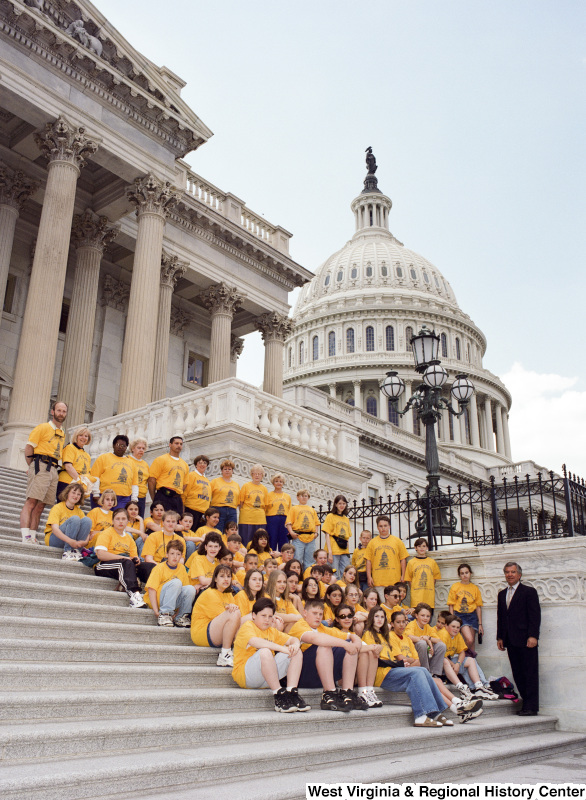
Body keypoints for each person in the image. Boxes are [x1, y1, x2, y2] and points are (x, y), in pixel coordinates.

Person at [288, 598, 369, 711]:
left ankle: (347, 693)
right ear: (305, 613)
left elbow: (349, 636)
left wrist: (354, 640)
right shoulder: (300, 625)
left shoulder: (322, 627)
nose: (318, 617)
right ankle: (329, 694)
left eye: (321, 614)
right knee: (325, 645)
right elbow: (315, 638)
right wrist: (346, 644)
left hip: (319, 674)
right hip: (302, 675)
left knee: (350, 647)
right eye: (315, 613)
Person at [232, 597, 309, 712]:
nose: (267, 620)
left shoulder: (272, 631)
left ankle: (292, 693)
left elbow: (293, 639)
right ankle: (278, 695)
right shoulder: (248, 626)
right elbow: (255, 642)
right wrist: (282, 648)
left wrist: (295, 645)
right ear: (254, 615)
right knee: (265, 651)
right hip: (246, 677)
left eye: (270, 616)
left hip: (267, 677)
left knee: (295, 652)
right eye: (263, 616)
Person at [20, 400, 68, 544]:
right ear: (52, 412)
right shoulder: (42, 427)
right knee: (31, 501)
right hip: (40, 465)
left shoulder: (62, 433)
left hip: (53, 469)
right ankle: (25, 536)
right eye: (58, 410)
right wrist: (32, 466)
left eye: (64, 411)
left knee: (41, 505)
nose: (61, 413)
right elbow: (29, 447)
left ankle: (33, 536)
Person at [497, 561, 541, 716]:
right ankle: (525, 705)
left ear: (519, 575)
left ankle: (532, 707)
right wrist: (500, 637)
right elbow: (501, 617)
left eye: (513, 572)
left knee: (529, 672)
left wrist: (533, 636)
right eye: (507, 572)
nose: (510, 574)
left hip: (526, 640)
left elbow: (535, 616)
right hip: (510, 640)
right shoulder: (502, 594)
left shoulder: (529, 592)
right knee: (517, 673)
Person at [94, 507, 154, 607]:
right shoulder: (107, 533)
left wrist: (137, 560)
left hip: (125, 565)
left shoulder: (129, 539)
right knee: (126, 563)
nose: (120, 522)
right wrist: (125, 559)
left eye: (123, 519)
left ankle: (154, 594)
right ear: (113, 521)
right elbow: (101, 554)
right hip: (103, 565)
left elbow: (133, 557)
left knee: (150, 566)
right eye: (118, 519)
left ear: (127, 521)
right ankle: (134, 595)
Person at [437, 614, 498, 701]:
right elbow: (441, 655)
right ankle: (473, 688)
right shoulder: (443, 634)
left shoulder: (456, 635)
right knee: (449, 661)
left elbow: (462, 652)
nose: (456, 629)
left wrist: (458, 664)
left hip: (450, 662)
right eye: (453, 626)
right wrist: (454, 664)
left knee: (470, 660)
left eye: (458, 627)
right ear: (446, 626)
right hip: (440, 665)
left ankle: (478, 687)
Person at [190, 564, 241, 666]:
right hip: (202, 632)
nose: (226, 579)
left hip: (216, 629)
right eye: (222, 576)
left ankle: (236, 653)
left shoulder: (228, 594)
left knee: (248, 619)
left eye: (228, 576)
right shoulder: (210, 593)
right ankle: (225, 654)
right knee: (234, 612)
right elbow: (225, 617)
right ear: (215, 579)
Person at [144, 539, 196, 627]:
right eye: (172, 554)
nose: (175, 557)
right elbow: (151, 589)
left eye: (178, 554)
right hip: (159, 600)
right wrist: (156, 611)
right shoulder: (159, 568)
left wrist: (177, 612)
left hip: (173, 601)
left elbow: (185, 593)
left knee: (190, 588)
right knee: (176, 582)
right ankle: (164, 615)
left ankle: (181, 617)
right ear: (167, 554)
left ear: (181, 556)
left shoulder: (182, 568)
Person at [44, 482, 91, 559]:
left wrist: (84, 542)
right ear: (67, 493)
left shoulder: (79, 511)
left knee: (87, 520)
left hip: (71, 542)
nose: (76, 496)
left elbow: (87, 532)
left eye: (79, 494)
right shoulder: (57, 507)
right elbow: (55, 530)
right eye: (73, 492)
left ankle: (76, 551)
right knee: (75, 519)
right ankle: (68, 551)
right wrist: (70, 541)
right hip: (54, 539)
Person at [364, 515, 407, 601]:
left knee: (395, 606)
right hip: (378, 581)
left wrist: (403, 575)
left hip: (394, 581)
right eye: (380, 526)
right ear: (377, 527)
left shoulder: (397, 541)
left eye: (385, 526)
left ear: (389, 526)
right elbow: (368, 561)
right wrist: (369, 577)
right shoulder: (372, 543)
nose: (383, 528)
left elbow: (403, 559)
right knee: (382, 607)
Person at [90, 435, 138, 511]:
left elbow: (134, 483)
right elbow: (95, 477)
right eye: (118, 445)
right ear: (113, 445)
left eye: (123, 446)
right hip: (104, 495)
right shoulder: (103, 458)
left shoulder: (131, 463)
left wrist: (134, 499)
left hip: (123, 498)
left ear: (126, 448)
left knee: (119, 520)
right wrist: (95, 493)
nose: (121, 447)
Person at [147, 436, 189, 516]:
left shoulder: (185, 464)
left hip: (177, 499)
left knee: (176, 524)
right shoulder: (161, 459)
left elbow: (185, 483)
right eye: (176, 443)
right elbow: (151, 480)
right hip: (163, 495)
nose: (179, 445)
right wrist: (154, 498)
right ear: (170, 444)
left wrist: (176, 492)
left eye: (181, 444)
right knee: (161, 521)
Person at [447, 563, 484, 652]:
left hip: (472, 616)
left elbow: (478, 607)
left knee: (472, 643)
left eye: (466, 572)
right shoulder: (455, 586)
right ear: (459, 575)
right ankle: (460, 655)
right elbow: (451, 604)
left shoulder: (474, 588)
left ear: (470, 573)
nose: (465, 575)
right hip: (460, 616)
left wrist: (480, 624)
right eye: (462, 573)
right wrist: (453, 619)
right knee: (469, 639)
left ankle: (471, 663)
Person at [405, 603, 446, 678]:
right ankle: (425, 671)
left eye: (428, 616)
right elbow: (408, 636)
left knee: (441, 646)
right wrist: (426, 640)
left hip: (425, 655)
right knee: (422, 643)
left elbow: (439, 641)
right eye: (422, 615)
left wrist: (428, 638)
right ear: (416, 616)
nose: (425, 618)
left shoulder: (428, 627)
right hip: (414, 655)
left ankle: (434, 673)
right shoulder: (412, 624)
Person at [405, 538, 441, 616]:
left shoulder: (432, 562)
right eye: (419, 546)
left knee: (427, 617)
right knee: (417, 617)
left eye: (424, 546)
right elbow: (409, 580)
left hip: (428, 596)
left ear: (427, 548)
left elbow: (434, 579)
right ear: (415, 548)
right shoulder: (411, 562)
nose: (422, 548)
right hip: (416, 596)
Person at [285, 489, 320, 571]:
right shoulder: (294, 508)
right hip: (298, 537)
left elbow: (316, 523)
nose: (304, 498)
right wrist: (291, 532)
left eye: (306, 496)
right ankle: (297, 576)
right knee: (297, 559)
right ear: (297, 497)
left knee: (310, 561)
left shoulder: (312, 510)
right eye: (302, 496)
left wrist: (316, 533)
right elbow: (288, 522)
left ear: (308, 498)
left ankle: (307, 577)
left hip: (310, 537)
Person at [56, 426, 92, 502]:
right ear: (76, 436)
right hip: (67, 482)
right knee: (63, 508)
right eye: (81, 435)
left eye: (86, 436)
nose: (83, 438)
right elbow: (68, 466)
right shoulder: (70, 447)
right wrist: (80, 481)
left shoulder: (87, 455)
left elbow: (87, 472)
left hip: (79, 485)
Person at [238, 464, 269, 546]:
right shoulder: (246, 486)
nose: (257, 475)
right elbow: (241, 502)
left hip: (260, 519)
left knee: (259, 543)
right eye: (255, 473)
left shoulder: (264, 489)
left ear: (262, 475)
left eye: (259, 474)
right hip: (246, 519)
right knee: (245, 542)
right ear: (251, 474)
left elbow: (265, 505)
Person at [322, 494, 352, 573]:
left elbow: (347, 537)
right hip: (334, 548)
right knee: (333, 572)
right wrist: (330, 552)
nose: (342, 506)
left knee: (346, 572)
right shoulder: (330, 516)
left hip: (344, 550)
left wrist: (348, 552)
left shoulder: (346, 519)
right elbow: (327, 534)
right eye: (340, 503)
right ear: (335, 504)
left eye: (344, 503)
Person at [210, 459, 240, 532]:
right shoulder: (215, 481)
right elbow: (208, 496)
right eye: (225, 469)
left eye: (229, 469)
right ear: (222, 471)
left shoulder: (236, 485)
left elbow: (238, 501)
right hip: (218, 509)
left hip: (232, 510)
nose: (227, 470)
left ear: (232, 471)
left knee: (231, 531)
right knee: (218, 531)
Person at [182, 455, 211, 532]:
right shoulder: (192, 475)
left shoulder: (207, 480)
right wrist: (182, 508)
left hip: (203, 512)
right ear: (196, 464)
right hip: (191, 509)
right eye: (200, 462)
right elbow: (185, 492)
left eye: (204, 463)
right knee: (189, 531)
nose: (202, 465)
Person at [265, 473, 292, 552]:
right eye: (276, 481)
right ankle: (271, 561)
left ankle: (283, 561)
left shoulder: (287, 496)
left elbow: (290, 512)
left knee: (284, 542)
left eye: (280, 481)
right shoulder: (268, 495)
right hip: (272, 520)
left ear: (283, 483)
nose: (278, 483)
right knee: (271, 541)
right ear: (273, 483)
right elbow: (265, 509)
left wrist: (290, 526)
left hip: (284, 521)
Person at [128, 438, 149, 518]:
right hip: (130, 494)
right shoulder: (127, 460)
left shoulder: (145, 464)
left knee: (139, 519)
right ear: (133, 448)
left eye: (143, 448)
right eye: (139, 448)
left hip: (142, 496)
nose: (141, 450)